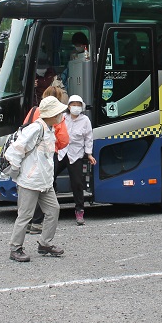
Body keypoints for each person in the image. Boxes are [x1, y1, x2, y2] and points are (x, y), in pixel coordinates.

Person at [5, 95, 68, 262]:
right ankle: (15, 248)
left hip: (43, 181)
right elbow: (15, 150)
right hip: (31, 181)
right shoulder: (36, 128)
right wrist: (16, 171)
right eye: (58, 113)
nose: (61, 116)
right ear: (51, 115)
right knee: (25, 215)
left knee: (53, 210)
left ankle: (45, 243)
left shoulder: (48, 128)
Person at [24, 86, 69, 235]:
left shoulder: (33, 110)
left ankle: (29, 222)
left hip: (30, 156)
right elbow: (63, 139)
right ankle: (37, 222)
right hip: (47, 155)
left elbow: (24, 129)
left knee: (31, 187)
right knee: (46, 187)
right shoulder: (56, 114)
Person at [56, 94, 95, 225]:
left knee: (77, 183)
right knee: (49, 177)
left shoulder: (85, 120)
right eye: (73, 105)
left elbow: (88, 138)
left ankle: (79, 211)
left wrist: (89, 154)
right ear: (68, 106)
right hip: (61, 152)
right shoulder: (62, 117)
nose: (76, 107)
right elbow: (55, 132)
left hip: (76, 154)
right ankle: (49, 208)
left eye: (78, 105)